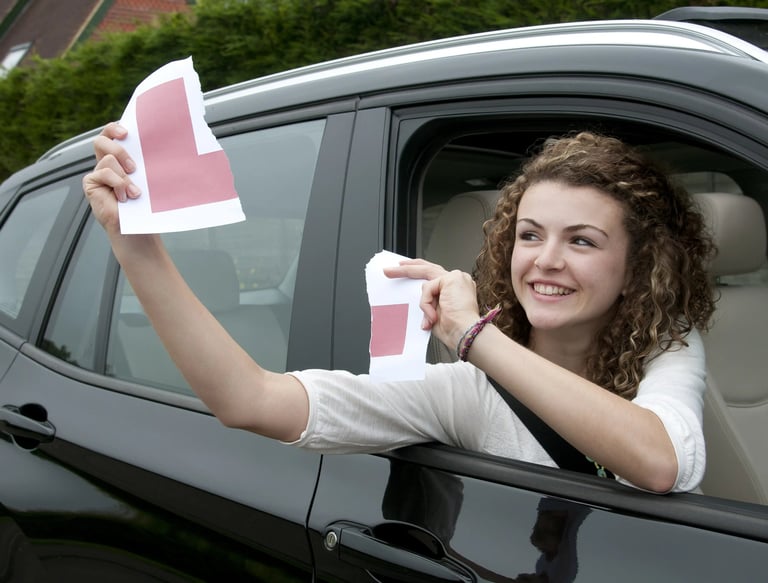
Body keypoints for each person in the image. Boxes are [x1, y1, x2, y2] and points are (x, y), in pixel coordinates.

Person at [84, 126, 715, 494]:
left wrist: (475, 335)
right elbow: (250, 401)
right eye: (529, 234)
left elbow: (660, 460)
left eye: (581, 240)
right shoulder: (464, 391)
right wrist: (137, 251)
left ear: (637, 266)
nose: (545, 260)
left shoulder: (669, 348)